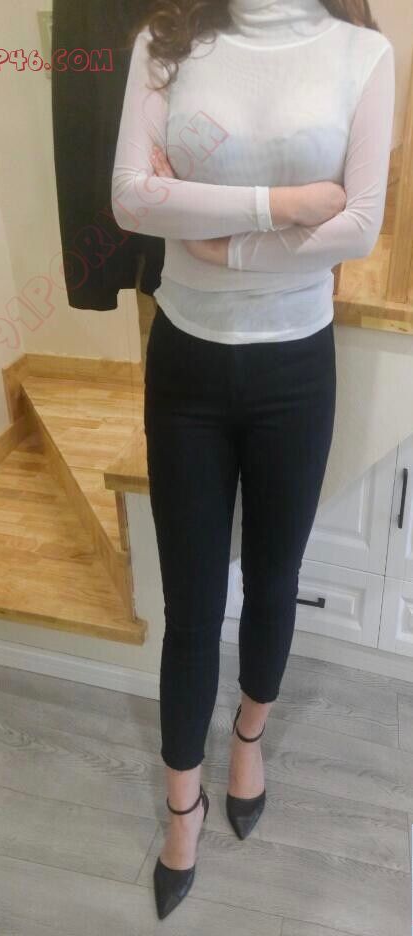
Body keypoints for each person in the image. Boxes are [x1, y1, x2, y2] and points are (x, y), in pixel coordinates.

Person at [111, 0, 395, 920]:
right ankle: (181, 808)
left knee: (274, 580)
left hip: (295, 369)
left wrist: (217, 241)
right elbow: (130, 200)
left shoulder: (362, 54)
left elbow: (360, 225)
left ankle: (247, 737)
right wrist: (288, 206)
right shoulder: (166, 43)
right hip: (186, 366)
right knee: (192, 608)